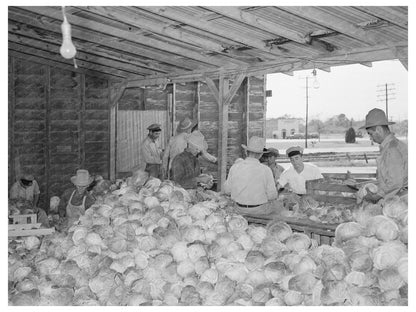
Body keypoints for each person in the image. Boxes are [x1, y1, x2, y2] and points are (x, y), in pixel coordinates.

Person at [357, 108, 408, 202]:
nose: (370, 138)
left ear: (379, 130)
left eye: (370, 134)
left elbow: (395, 183)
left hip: (402, 198)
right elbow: (389, 178)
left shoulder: (391, 150)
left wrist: (375, 197)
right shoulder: (392, 145)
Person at [224, 136, 278, 216]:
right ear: (260, 155)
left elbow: (227, 191)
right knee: (278, 205)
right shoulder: (266, 170)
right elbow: (272, 196)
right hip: (259, 210)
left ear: (246, 152)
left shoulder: (235, 167)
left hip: (239, 209)